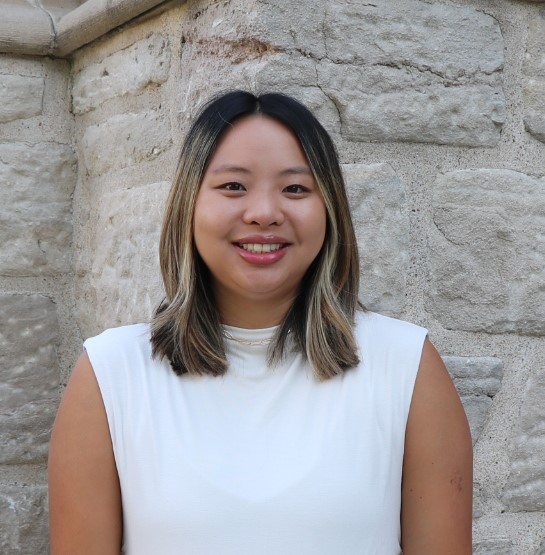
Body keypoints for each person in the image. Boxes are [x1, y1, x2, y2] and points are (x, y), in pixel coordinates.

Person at [48, 91, 473, 554]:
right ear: (188, 204)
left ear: (329, 211)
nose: (264, 212)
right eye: (233, 186)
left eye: (295, 188)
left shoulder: (405, 367)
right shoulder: (111, 375)